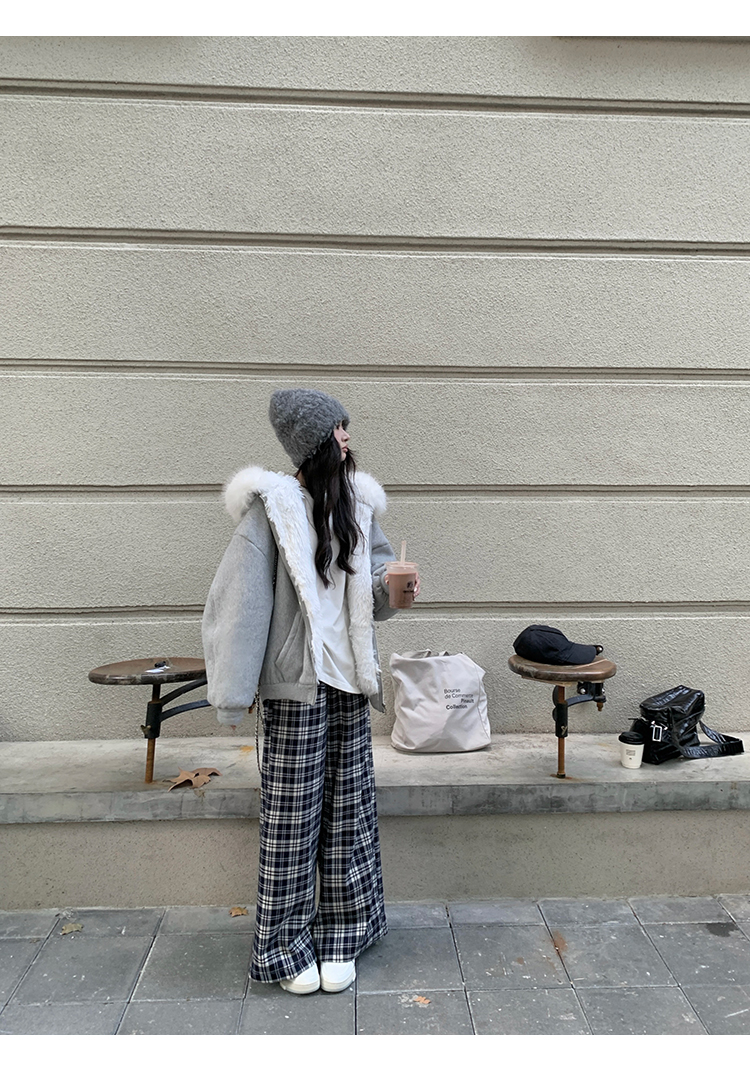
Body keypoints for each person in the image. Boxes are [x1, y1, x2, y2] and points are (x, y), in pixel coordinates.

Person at [201, 388, 419, 996]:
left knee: (349, 817)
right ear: (314, 442)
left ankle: (344, 934)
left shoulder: (358, 506)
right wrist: (233, 692)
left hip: (348, 682)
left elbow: (375, 590)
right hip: (295, 688)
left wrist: (395, 588)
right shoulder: (270, 511)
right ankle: (283, 946)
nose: (348, 438)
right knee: (292, 823)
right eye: (339, 430)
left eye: (348, 429)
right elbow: (239, 605)